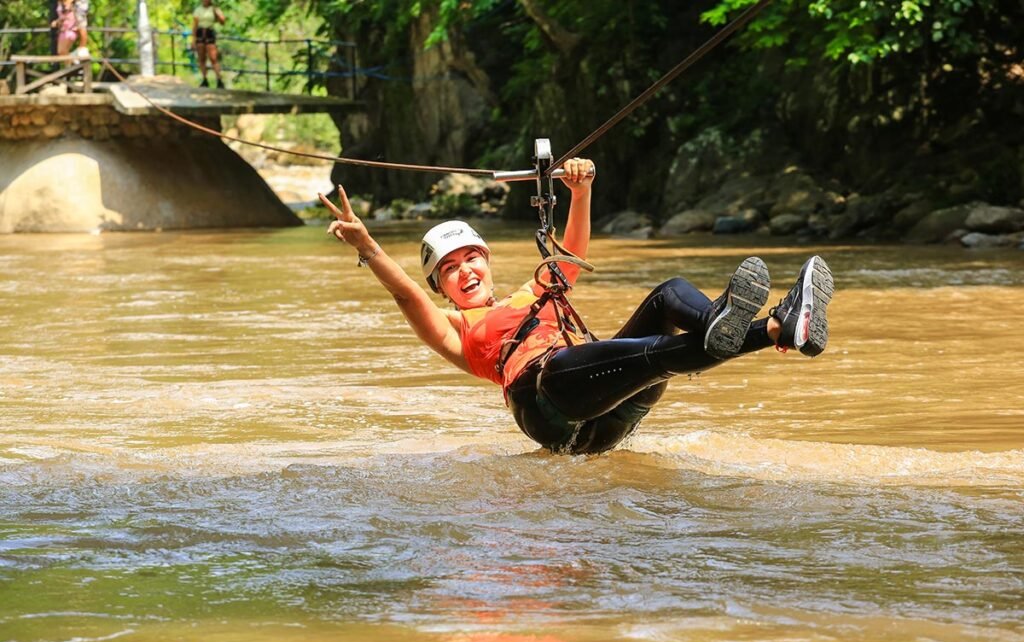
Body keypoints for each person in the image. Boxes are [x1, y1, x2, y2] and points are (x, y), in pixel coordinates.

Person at [319, 158, 834, 454]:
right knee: (646, 354)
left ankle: (771, 327)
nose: (466, 272)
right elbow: (405, 293)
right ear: (441, 285)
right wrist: (368, 246)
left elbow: (573, 252)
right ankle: (759, 327)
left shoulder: (534, 291)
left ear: (488, 262)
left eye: (472, 258)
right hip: (549, 402)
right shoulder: (452, 329)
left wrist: (581, 190)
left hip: (607, 400)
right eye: (450, 269)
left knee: (669, 292)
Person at [191, 0, 226, 88]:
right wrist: (193, 39)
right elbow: (195, 25)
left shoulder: (214, 9)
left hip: (209, 33)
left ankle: (219, 80)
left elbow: (222, 21)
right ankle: (204, 79)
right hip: (200, 33)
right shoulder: (198, 10)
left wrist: (216, 12)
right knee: (202, 58)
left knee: (213, 58)